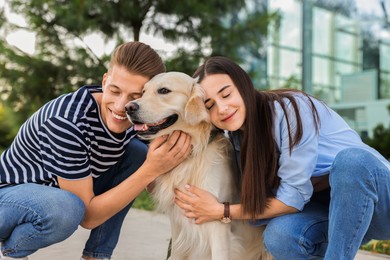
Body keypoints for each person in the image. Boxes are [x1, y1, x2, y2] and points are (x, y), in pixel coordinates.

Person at [174, 56, 390, 259]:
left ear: (244, 86)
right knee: (279, 236)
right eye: (210, 105)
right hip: (332, 213)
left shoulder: (288, 110)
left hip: (380, 202)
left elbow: (291, 198)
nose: (222, 108)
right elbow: (271, 205)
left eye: (226, 94)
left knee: (351, 162)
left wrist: (221, 211)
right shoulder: (238, 139)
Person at [0, 41, 192, 260]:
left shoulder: (140, 119)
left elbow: (154, 179)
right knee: (66, 209)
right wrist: (151, 169)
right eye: (115, 90)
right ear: (104, 81)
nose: (121, 106)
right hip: (7, 197)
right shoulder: (67, 123)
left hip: (55, 190)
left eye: (134, 97)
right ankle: (12, 252)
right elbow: (88, 217)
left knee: (138, 154)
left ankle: (96, 256)